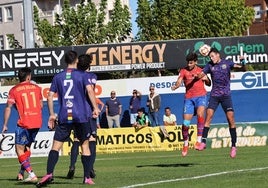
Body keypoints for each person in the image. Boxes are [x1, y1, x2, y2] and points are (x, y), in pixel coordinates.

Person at [36, 51, 99, 187]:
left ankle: (49, 174)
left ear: (65, 61)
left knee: (56, 147)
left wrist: (52, 114)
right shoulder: (83, 75)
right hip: (81, 116)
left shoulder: (58, 77)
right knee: (85, 145)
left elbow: (50, 96)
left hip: (65, 115)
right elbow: (90, 91)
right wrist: (95, 108)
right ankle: (87, 177)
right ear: (76, 60)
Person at [196, 47, 246, 158]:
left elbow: (243, 69)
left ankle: (233, 146)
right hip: (214, 96)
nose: (211, 58)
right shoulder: (209, 65)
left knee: (230, 119)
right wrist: (198, 76)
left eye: (213, 56)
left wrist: (243, 61)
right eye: (210, 57)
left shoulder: (227, 63)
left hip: (226, 96)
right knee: (208, 116)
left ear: (218, 55)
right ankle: (203, 142)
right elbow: (200, 75)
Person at [1, 67, 43, 183]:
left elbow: (8, 108)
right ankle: (21, 172)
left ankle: (32, 174)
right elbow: (41, 106)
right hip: (37, 122)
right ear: (28, 77)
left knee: (19, 149)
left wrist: (5, 124)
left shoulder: (14, 90)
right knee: (26, 148)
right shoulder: (37, 88)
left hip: (25, 122)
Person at [66, 54, 99, 180]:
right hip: (88, 110)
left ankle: (72, 165)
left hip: (75, 110)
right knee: (91, 139)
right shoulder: (92, 76)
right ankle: (89, 167)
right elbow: (90, 91)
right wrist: (95, 108)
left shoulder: (73, 76)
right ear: (89, 65)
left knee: (76, 139)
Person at [171, 52, 211, 157]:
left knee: (200, 114)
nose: (189, 65)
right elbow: (179, 80)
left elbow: (209, 83)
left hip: (201, 96)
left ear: (195, 62)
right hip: (189, 99)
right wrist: (176, 86)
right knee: (185, 124)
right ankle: (185, 143)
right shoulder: (183, 71)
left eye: (191, 63)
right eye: (188, 63)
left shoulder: (201, 70)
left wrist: (206, 79)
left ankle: (198, 141)